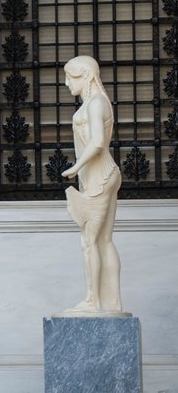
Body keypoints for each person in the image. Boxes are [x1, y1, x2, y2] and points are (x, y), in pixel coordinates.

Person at [59, 55, 125, 316]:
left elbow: (97, 142)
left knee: (90, 242)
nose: (66, 83)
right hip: (104, 174)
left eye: (70, 76)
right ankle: (112, 304)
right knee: (105, 241)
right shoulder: (96, 102)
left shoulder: (96, 103)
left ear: (86, 75)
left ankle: (93, 301)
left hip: (99, 177)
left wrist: (75, 167)